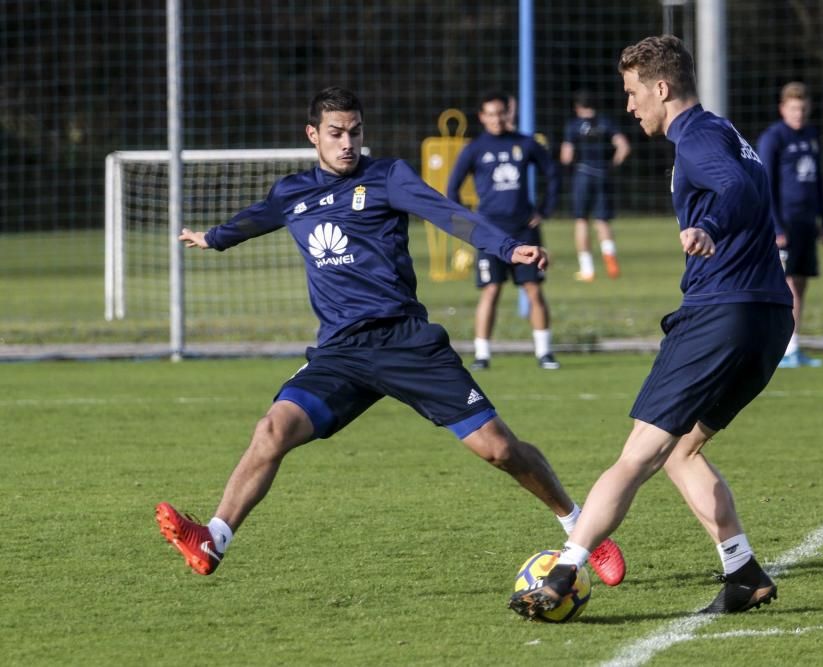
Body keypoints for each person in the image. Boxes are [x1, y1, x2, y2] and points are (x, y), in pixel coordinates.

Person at [155, 87, 625, 587]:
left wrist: (509, 247)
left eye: (355, 132)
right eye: (336, 134)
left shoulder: (386, 177)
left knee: (499, 450)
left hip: (405, 342)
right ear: (313, 135)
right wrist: (214, 237)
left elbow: (448, 213)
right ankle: (214, 538)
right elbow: (258, 217)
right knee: (272, 430)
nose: (347, 143)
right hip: (341, 351)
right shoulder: (292, 193)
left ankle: (580, 527)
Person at [509, 35, 793, 619]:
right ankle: (742, 572)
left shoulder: (696, 138)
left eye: (634, 93)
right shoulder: (722, 132)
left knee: (638, 453)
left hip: (720, 312)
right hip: (767, 316)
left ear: (662, 88)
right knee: (683, 451)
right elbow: (750, 186)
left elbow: (736, 191)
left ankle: (563, 572)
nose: (631, 105)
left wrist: (708, 224)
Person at [447, 92, 561, 371]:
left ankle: (544, 353)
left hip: (524, 230)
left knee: (533, 290)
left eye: (501, 113)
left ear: (507, 114)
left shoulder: (525, 143)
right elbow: (452, 189)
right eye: (490, 114)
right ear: (482, 117)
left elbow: (554, 173)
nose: (496, 119)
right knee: (491, 290)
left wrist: (544, 210)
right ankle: (482, 354)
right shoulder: (475, 149)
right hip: (490, 234)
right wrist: (468, 227)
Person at [757, 82, 823, 368]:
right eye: (793, 108)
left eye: (802, 108)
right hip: (783, 225)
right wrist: (775, 227)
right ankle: (780, 347)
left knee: (799, 284)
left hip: (806, 223)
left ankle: (793, 345)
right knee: (784, 285)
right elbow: (765, 185)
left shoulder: (812, 136)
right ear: (782, 109)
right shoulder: (773, 138)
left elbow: (819, 182)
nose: (798, 113)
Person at [560, 89, 631, 281]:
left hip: (583, 175)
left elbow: (566, 156)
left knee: (581, 220)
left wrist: (569, 166)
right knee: (602, 221)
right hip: (603, 174)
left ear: (577, 107)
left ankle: (587, 270)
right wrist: (612, 164)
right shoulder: (605, 122)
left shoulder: (574, 126)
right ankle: (611, 264)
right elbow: (623, 147)